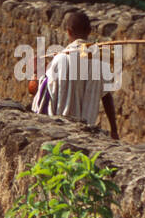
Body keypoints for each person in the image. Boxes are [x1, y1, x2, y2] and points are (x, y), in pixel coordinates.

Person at [31, 9, 119, 140]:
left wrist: (36, 73)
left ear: (68, 32)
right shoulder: (99, 62)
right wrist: (114, 130)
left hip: (60, 131)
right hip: (87, 133)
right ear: (89, 31)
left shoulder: (59, 60)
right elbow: (106, 97)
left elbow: (35, 91)